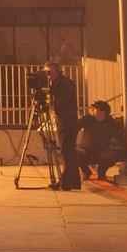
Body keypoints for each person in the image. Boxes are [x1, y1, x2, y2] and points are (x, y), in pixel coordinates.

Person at [44, 61, 80, 190]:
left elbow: (61, 104)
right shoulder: (60, 83)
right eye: (46, 73)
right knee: (69, 151)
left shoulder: (63, 84)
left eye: (49, 72)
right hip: (66, 121)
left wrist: (50, 95)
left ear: (57, 71)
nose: (47, 75)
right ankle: (74, 182)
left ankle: (66, 182)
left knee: (66, 151)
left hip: (67, 122)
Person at [76, 100, 125, 181]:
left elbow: (119, 137)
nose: (93, 111)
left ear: (102, 111)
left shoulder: (111, 123)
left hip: (102, 152)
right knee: (73, 152)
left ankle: (101, 172)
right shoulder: (87, 119)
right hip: (86, 151)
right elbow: (75, 127)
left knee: (114, 154)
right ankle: (86, 171)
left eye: (95, 109)